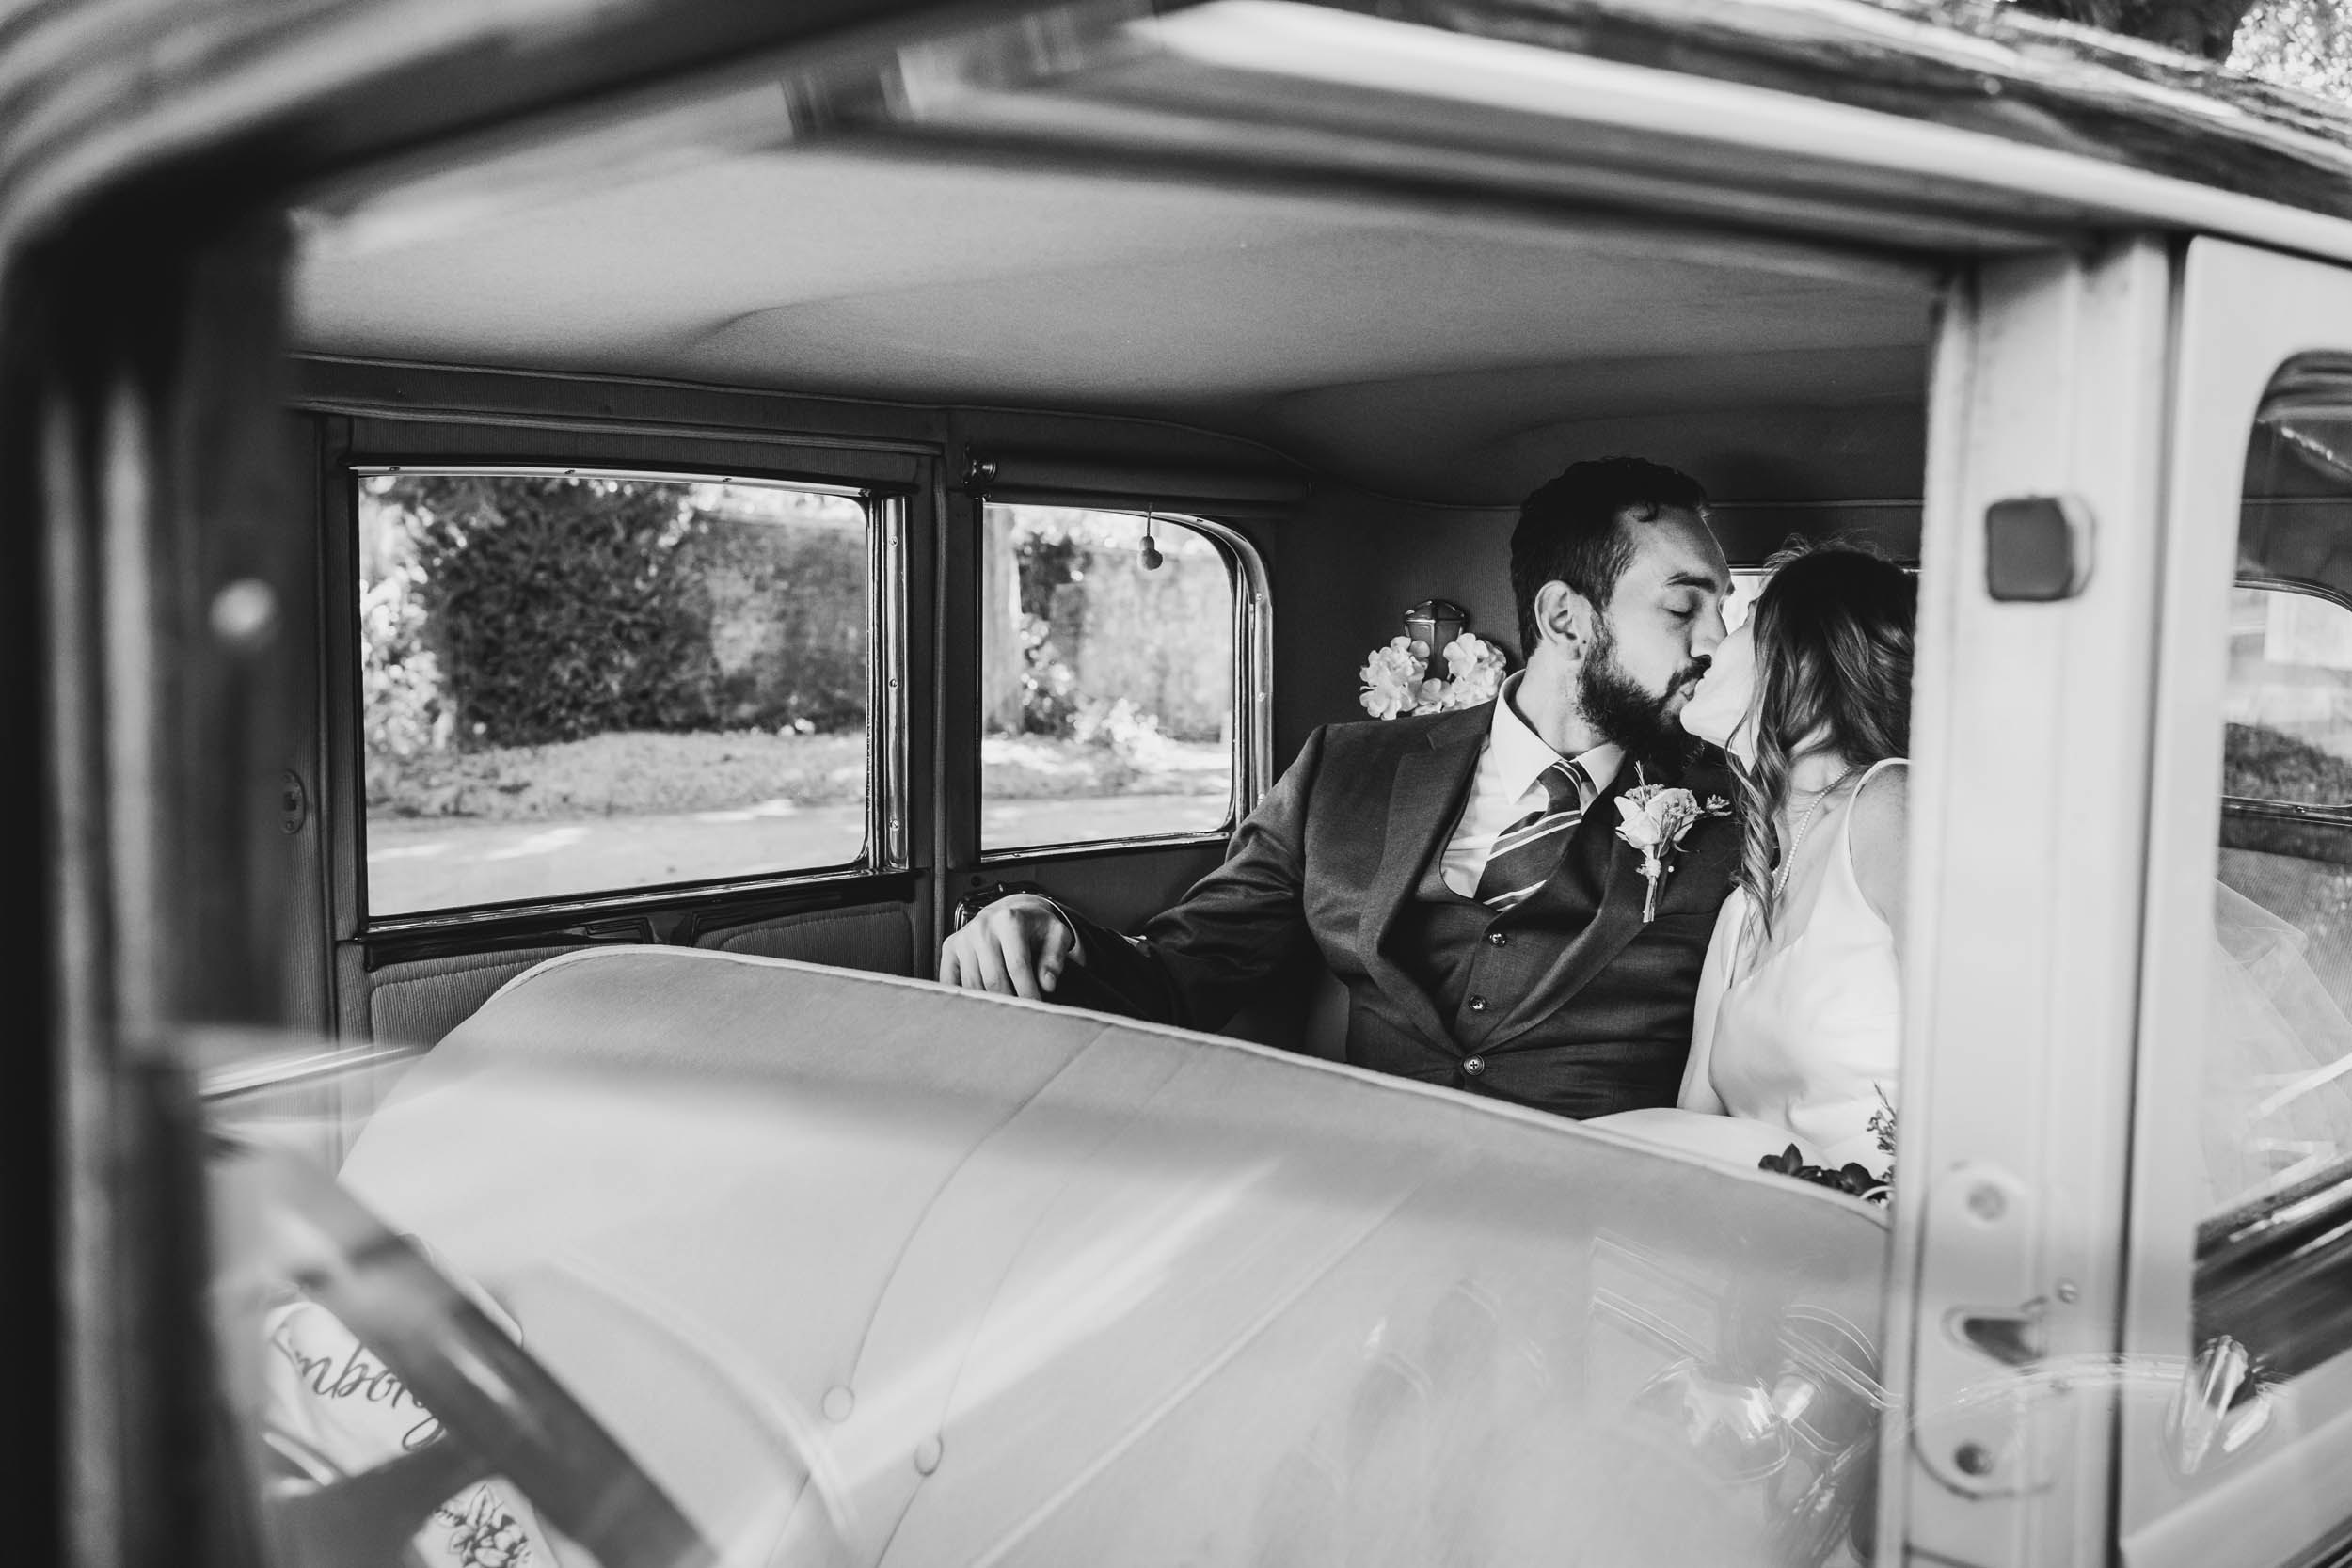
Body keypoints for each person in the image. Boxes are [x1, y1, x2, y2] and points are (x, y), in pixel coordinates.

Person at [938, 456, 1741, 1121]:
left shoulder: (1737, 809)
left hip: (1603, 1231)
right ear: (1568, 620)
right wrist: (1043, 927)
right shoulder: (1347, 770)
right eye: (1683, 606)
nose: (1716, 639)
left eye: (1722, 609)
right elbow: (1184, 969)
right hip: (1369, 1203)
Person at [1590, 545, 1914, 1183]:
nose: (1709, 644)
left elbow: (1982, 1058)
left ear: (1808, 652)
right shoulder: (1743, 909)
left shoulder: (1890, 807)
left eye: (1744, 622)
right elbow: (1691, 1126)